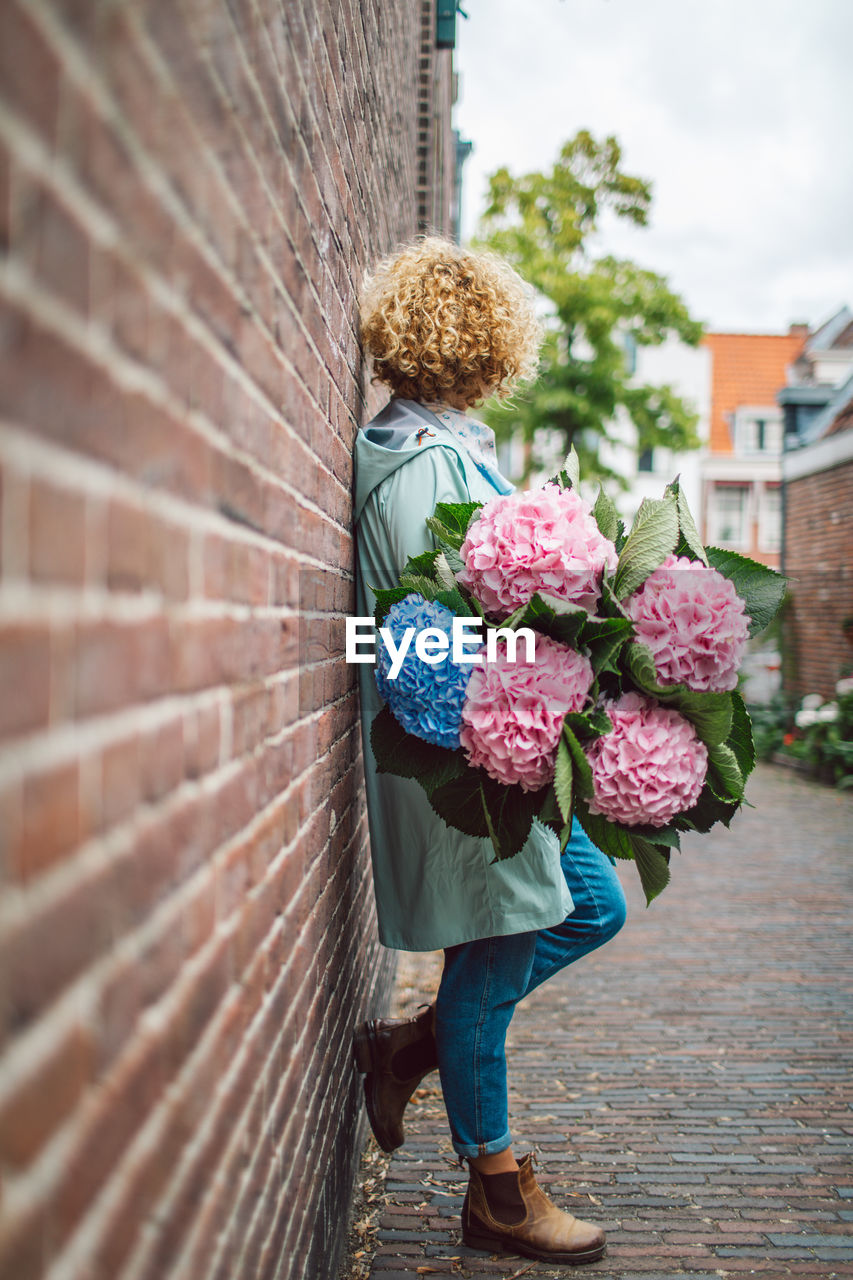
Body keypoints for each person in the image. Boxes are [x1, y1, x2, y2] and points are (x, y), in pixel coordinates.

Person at [351, 236, 627, 1267]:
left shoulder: (436, 444)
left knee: (585, 902)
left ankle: (415, 1044)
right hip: (474, 759)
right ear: (489, 343)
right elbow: (421, 654)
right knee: (500, 945)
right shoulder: (422, 465)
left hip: (494, 749)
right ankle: (497, 1190)